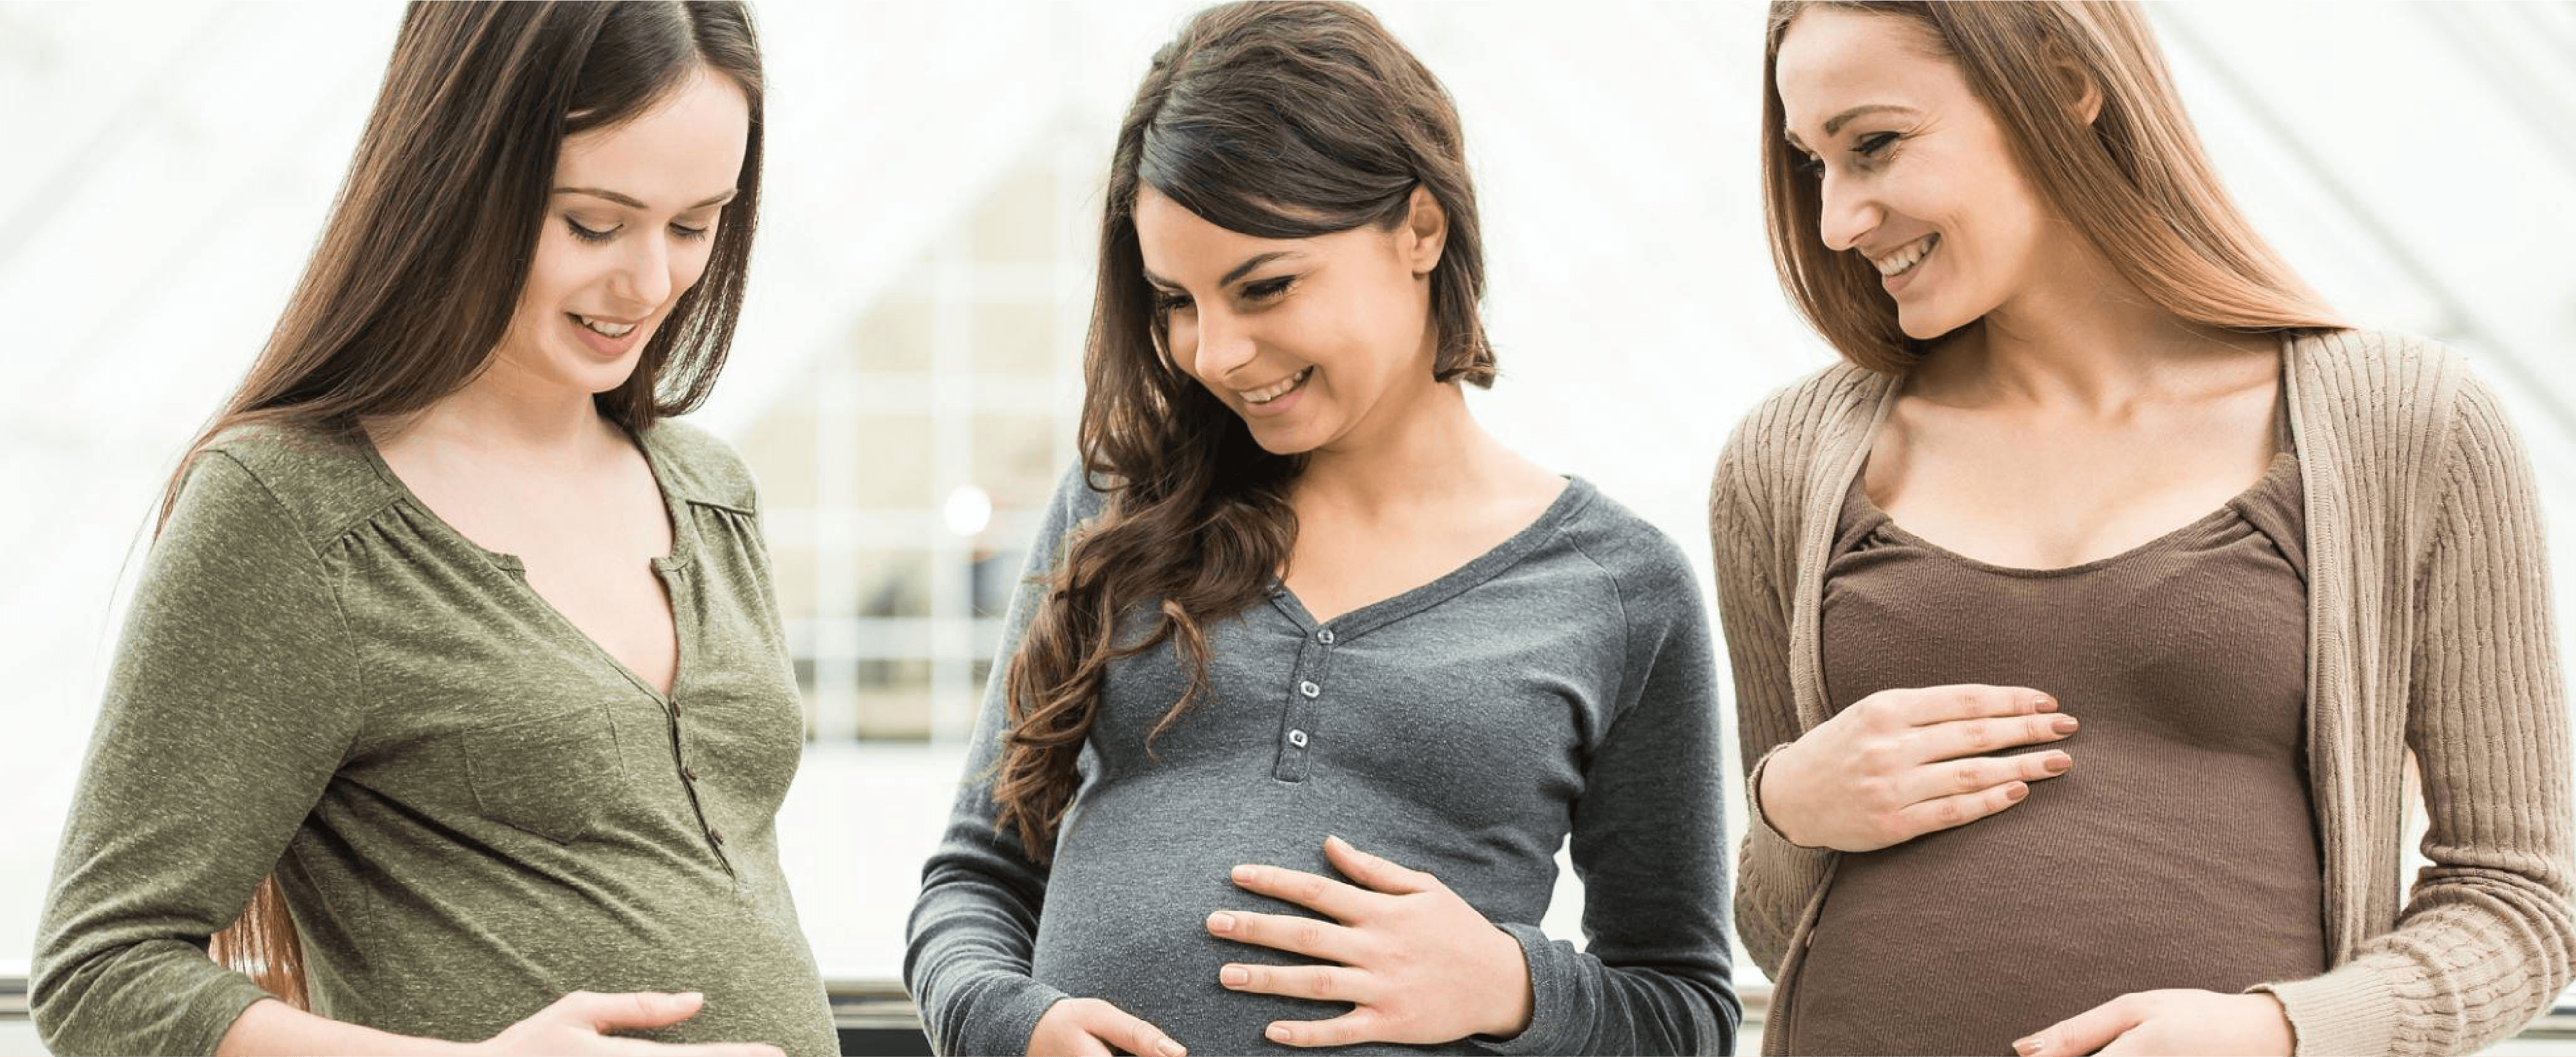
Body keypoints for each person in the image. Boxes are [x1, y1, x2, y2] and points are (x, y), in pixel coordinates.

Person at [1713, 1, 2576, 1054]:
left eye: (1875, 145)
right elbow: (1775, 927)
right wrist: (1790, 809)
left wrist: (2283, 1032)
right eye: (1815, 166)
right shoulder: (1786, 463)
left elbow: (2524, 899)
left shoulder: (2406, 423)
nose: (1840, 219)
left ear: (2067, 82)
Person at [904, 2, 1738, 1054]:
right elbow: (976, 878)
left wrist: (1511, 985)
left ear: (1421, 230)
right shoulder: (1119, 505)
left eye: (1266, 287)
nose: (1214, 352)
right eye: (1178, 301)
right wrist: (1010, 1025)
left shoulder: (1621, 588)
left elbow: (1689, 1012)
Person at [31, 3, 833, 1054]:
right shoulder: (290, 513)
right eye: (594, 223)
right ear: (461, 177)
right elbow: (102, 977)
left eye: (695, 225)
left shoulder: (709, 487)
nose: (650, 283)